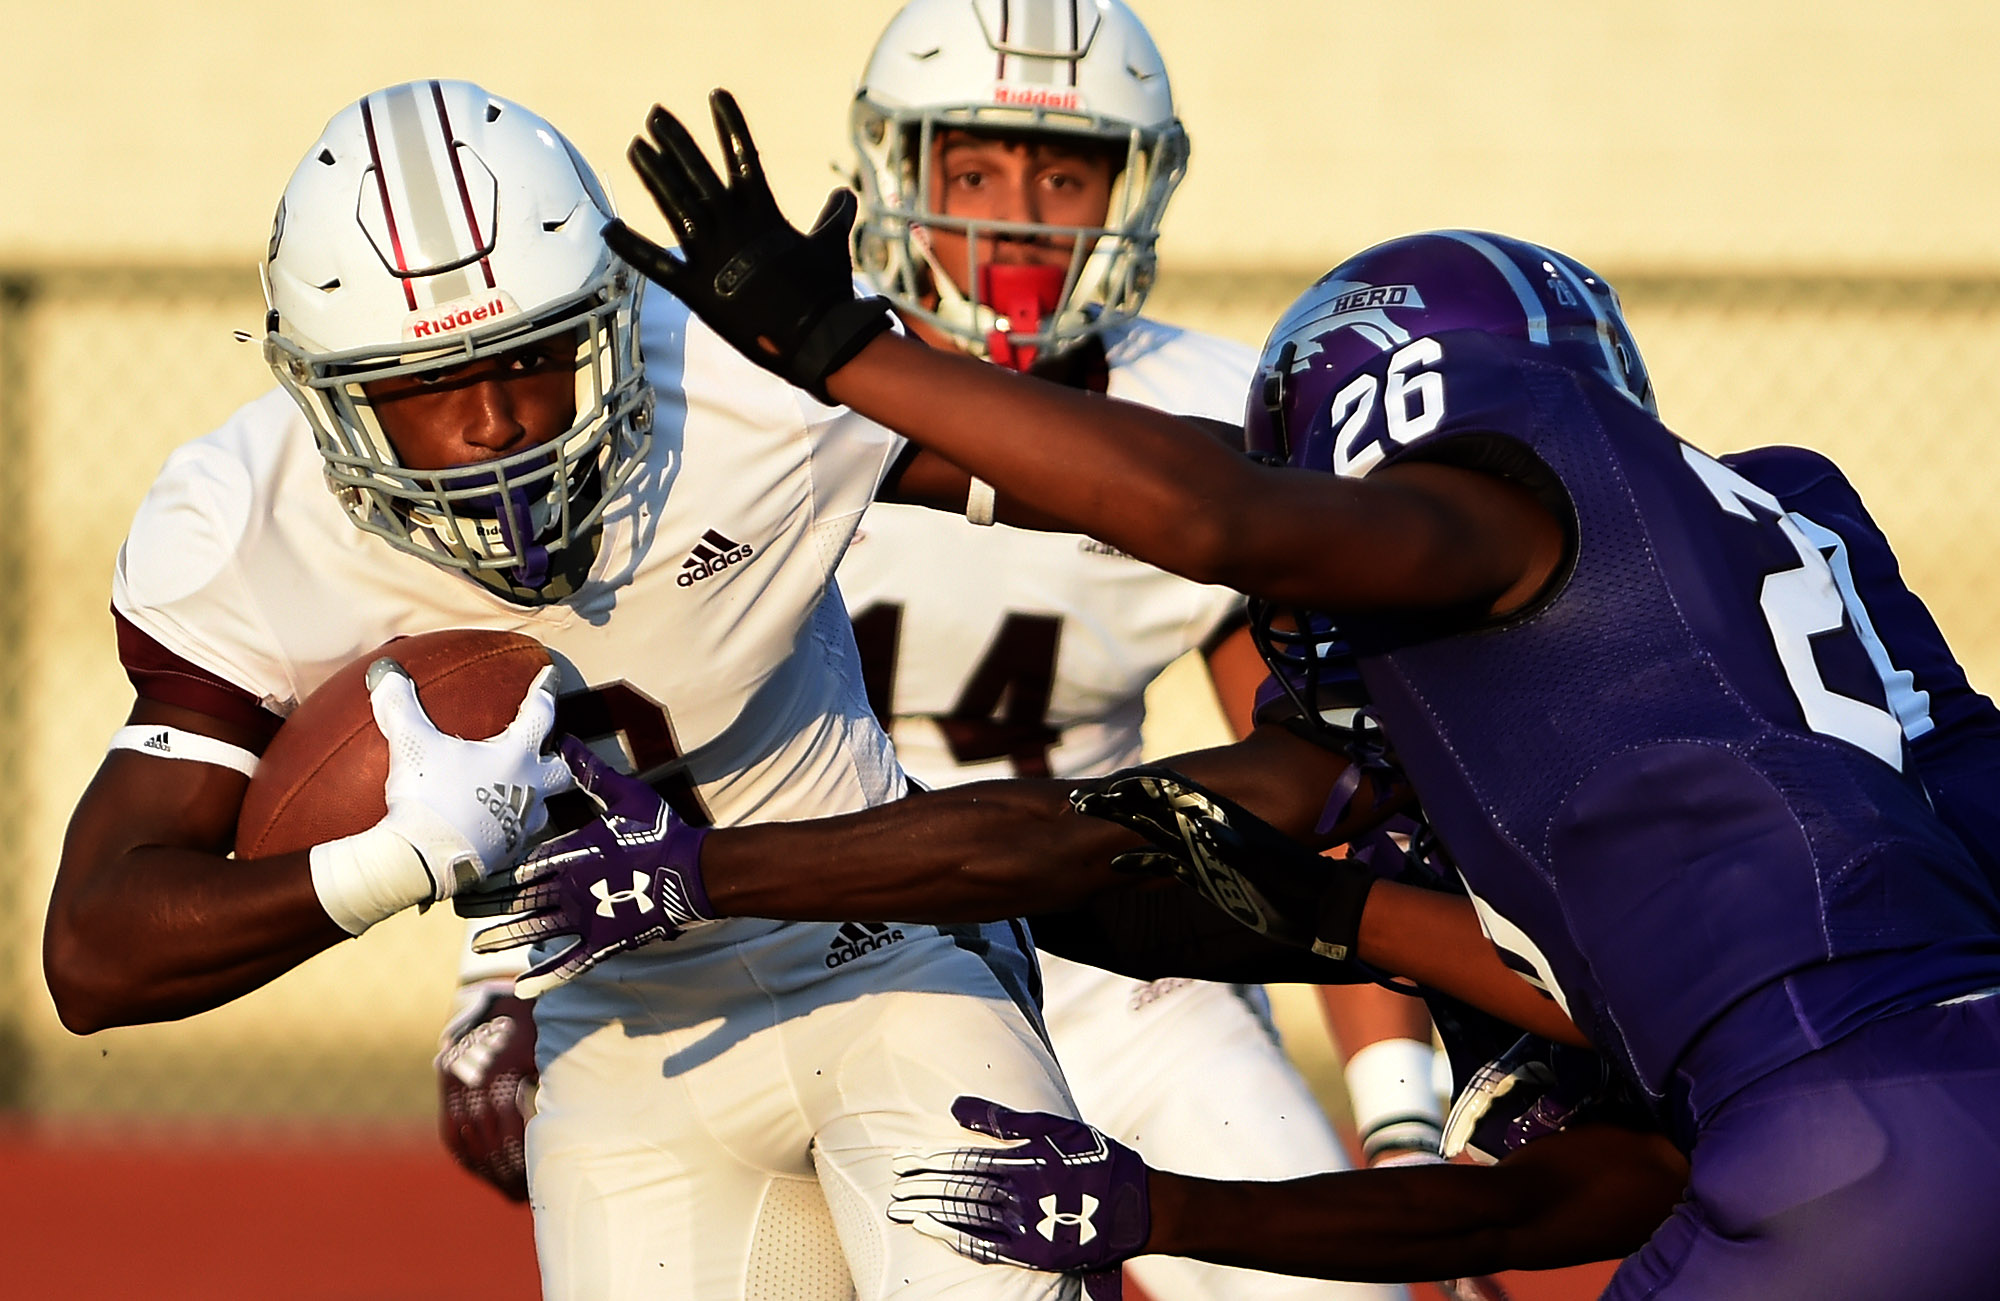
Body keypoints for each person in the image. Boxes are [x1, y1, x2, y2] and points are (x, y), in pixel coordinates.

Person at [483, 96, 2000, 1296]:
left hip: (1842, 1129)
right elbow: (1594, 1171)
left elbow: (1216, 534)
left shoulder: (1513, 512)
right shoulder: (1767, 574)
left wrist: (844, 352)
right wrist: (1202, 1161)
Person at [41, 79, 1097, 1301]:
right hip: (624, 1027)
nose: (493, 423)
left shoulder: (730, 375)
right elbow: (95, 952)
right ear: (326, 393)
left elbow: (1117, 482)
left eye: (533, 359)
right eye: (424, 384)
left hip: (890, 961)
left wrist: (1314, 524)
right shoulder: (246, 523)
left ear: (611, 318)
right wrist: (402, 856)